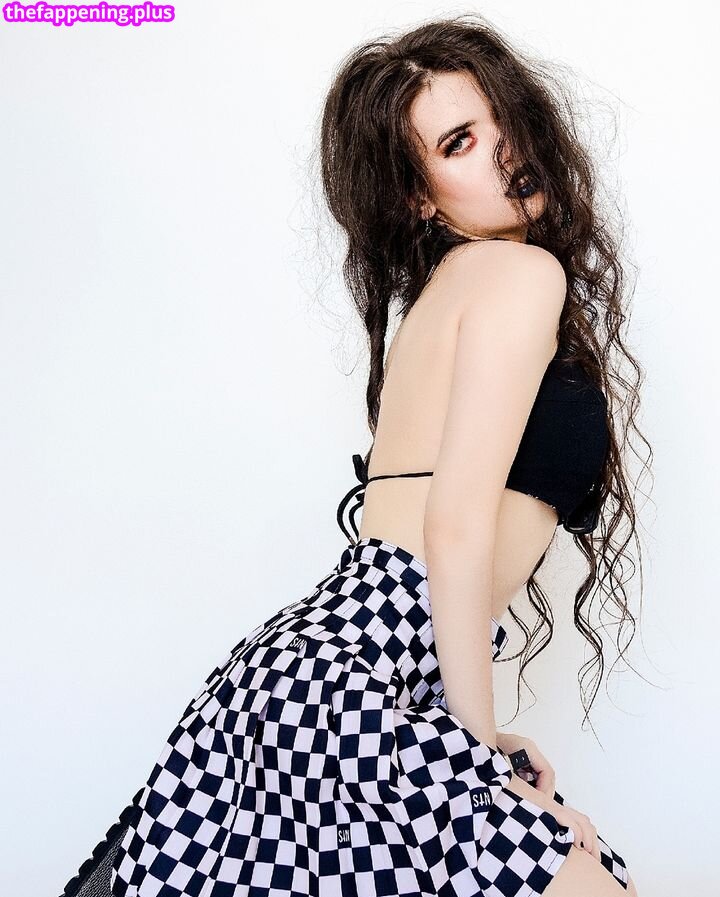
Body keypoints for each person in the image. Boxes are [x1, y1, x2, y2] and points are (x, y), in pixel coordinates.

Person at [59, 14, 647, 897]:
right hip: (351, 680)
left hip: (332, 675)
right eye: (459, 142)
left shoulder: (450, 294)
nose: (504, 151)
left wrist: (473, 734)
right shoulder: (519, 276)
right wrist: (478, 764)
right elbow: (453, 528)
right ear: (418, 197)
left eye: (504, 118)